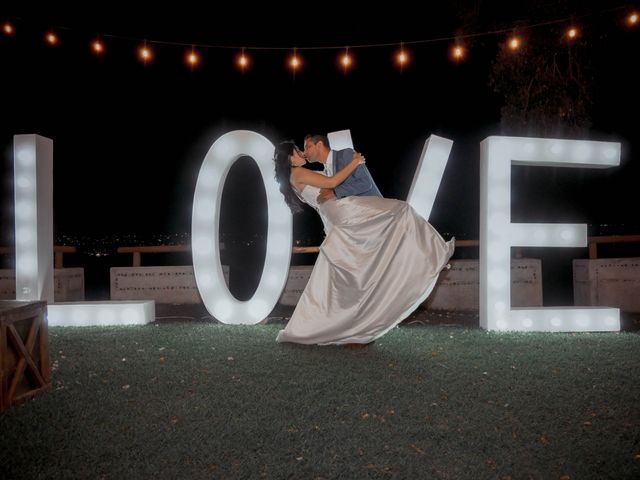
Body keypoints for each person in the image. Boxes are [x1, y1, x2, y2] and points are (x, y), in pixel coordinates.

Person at [273, 140, 454, 345]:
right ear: (289, 157)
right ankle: (434, 250)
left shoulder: (295, 176)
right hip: (341, 209)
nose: (302, 153)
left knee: (359, 269)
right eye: (298, 151)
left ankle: (355, 327)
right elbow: (332, 183)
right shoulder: (296, 173)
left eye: (303, 149)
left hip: (334, 212)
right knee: (400, 209)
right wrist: (356, 161)